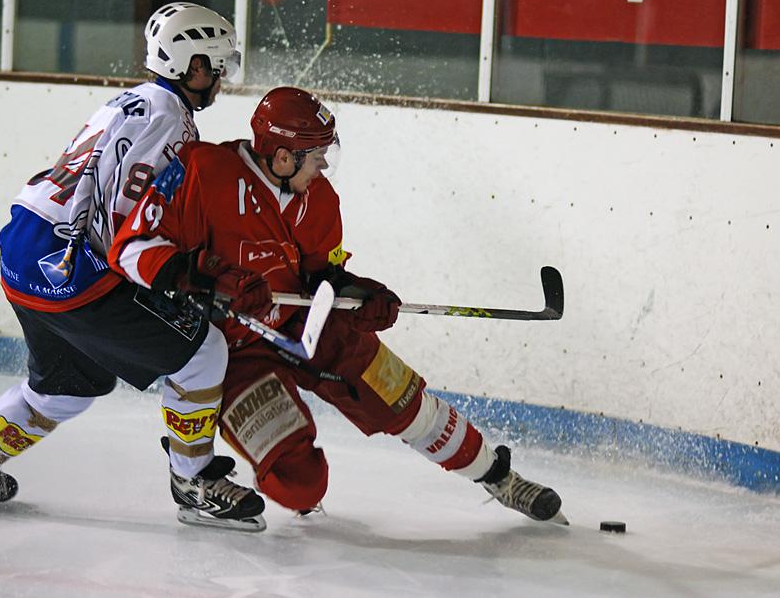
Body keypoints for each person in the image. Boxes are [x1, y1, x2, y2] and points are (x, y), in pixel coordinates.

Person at [107, 86, 567, 526]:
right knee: (301, 485)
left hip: (307, 322)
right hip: (235, 352)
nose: (324, 164)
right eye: (316, 155)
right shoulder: (203, 171)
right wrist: (204, 277)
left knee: (397, 398)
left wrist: (358, 295)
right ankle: (191, 449)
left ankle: (500, 477)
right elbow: (129, 248)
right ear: (283, 157)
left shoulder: (319, 198)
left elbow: (323, 274)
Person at [0, 2, 267, 532]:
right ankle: (194, 482)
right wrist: (174, 275)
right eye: (216, 66)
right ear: (192, 65)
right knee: (202, 353)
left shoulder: (129, 102)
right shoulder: (168, 120)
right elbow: (121, 220)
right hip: (69, 265)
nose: (220, 78)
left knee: (66, 387)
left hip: (23, 248)